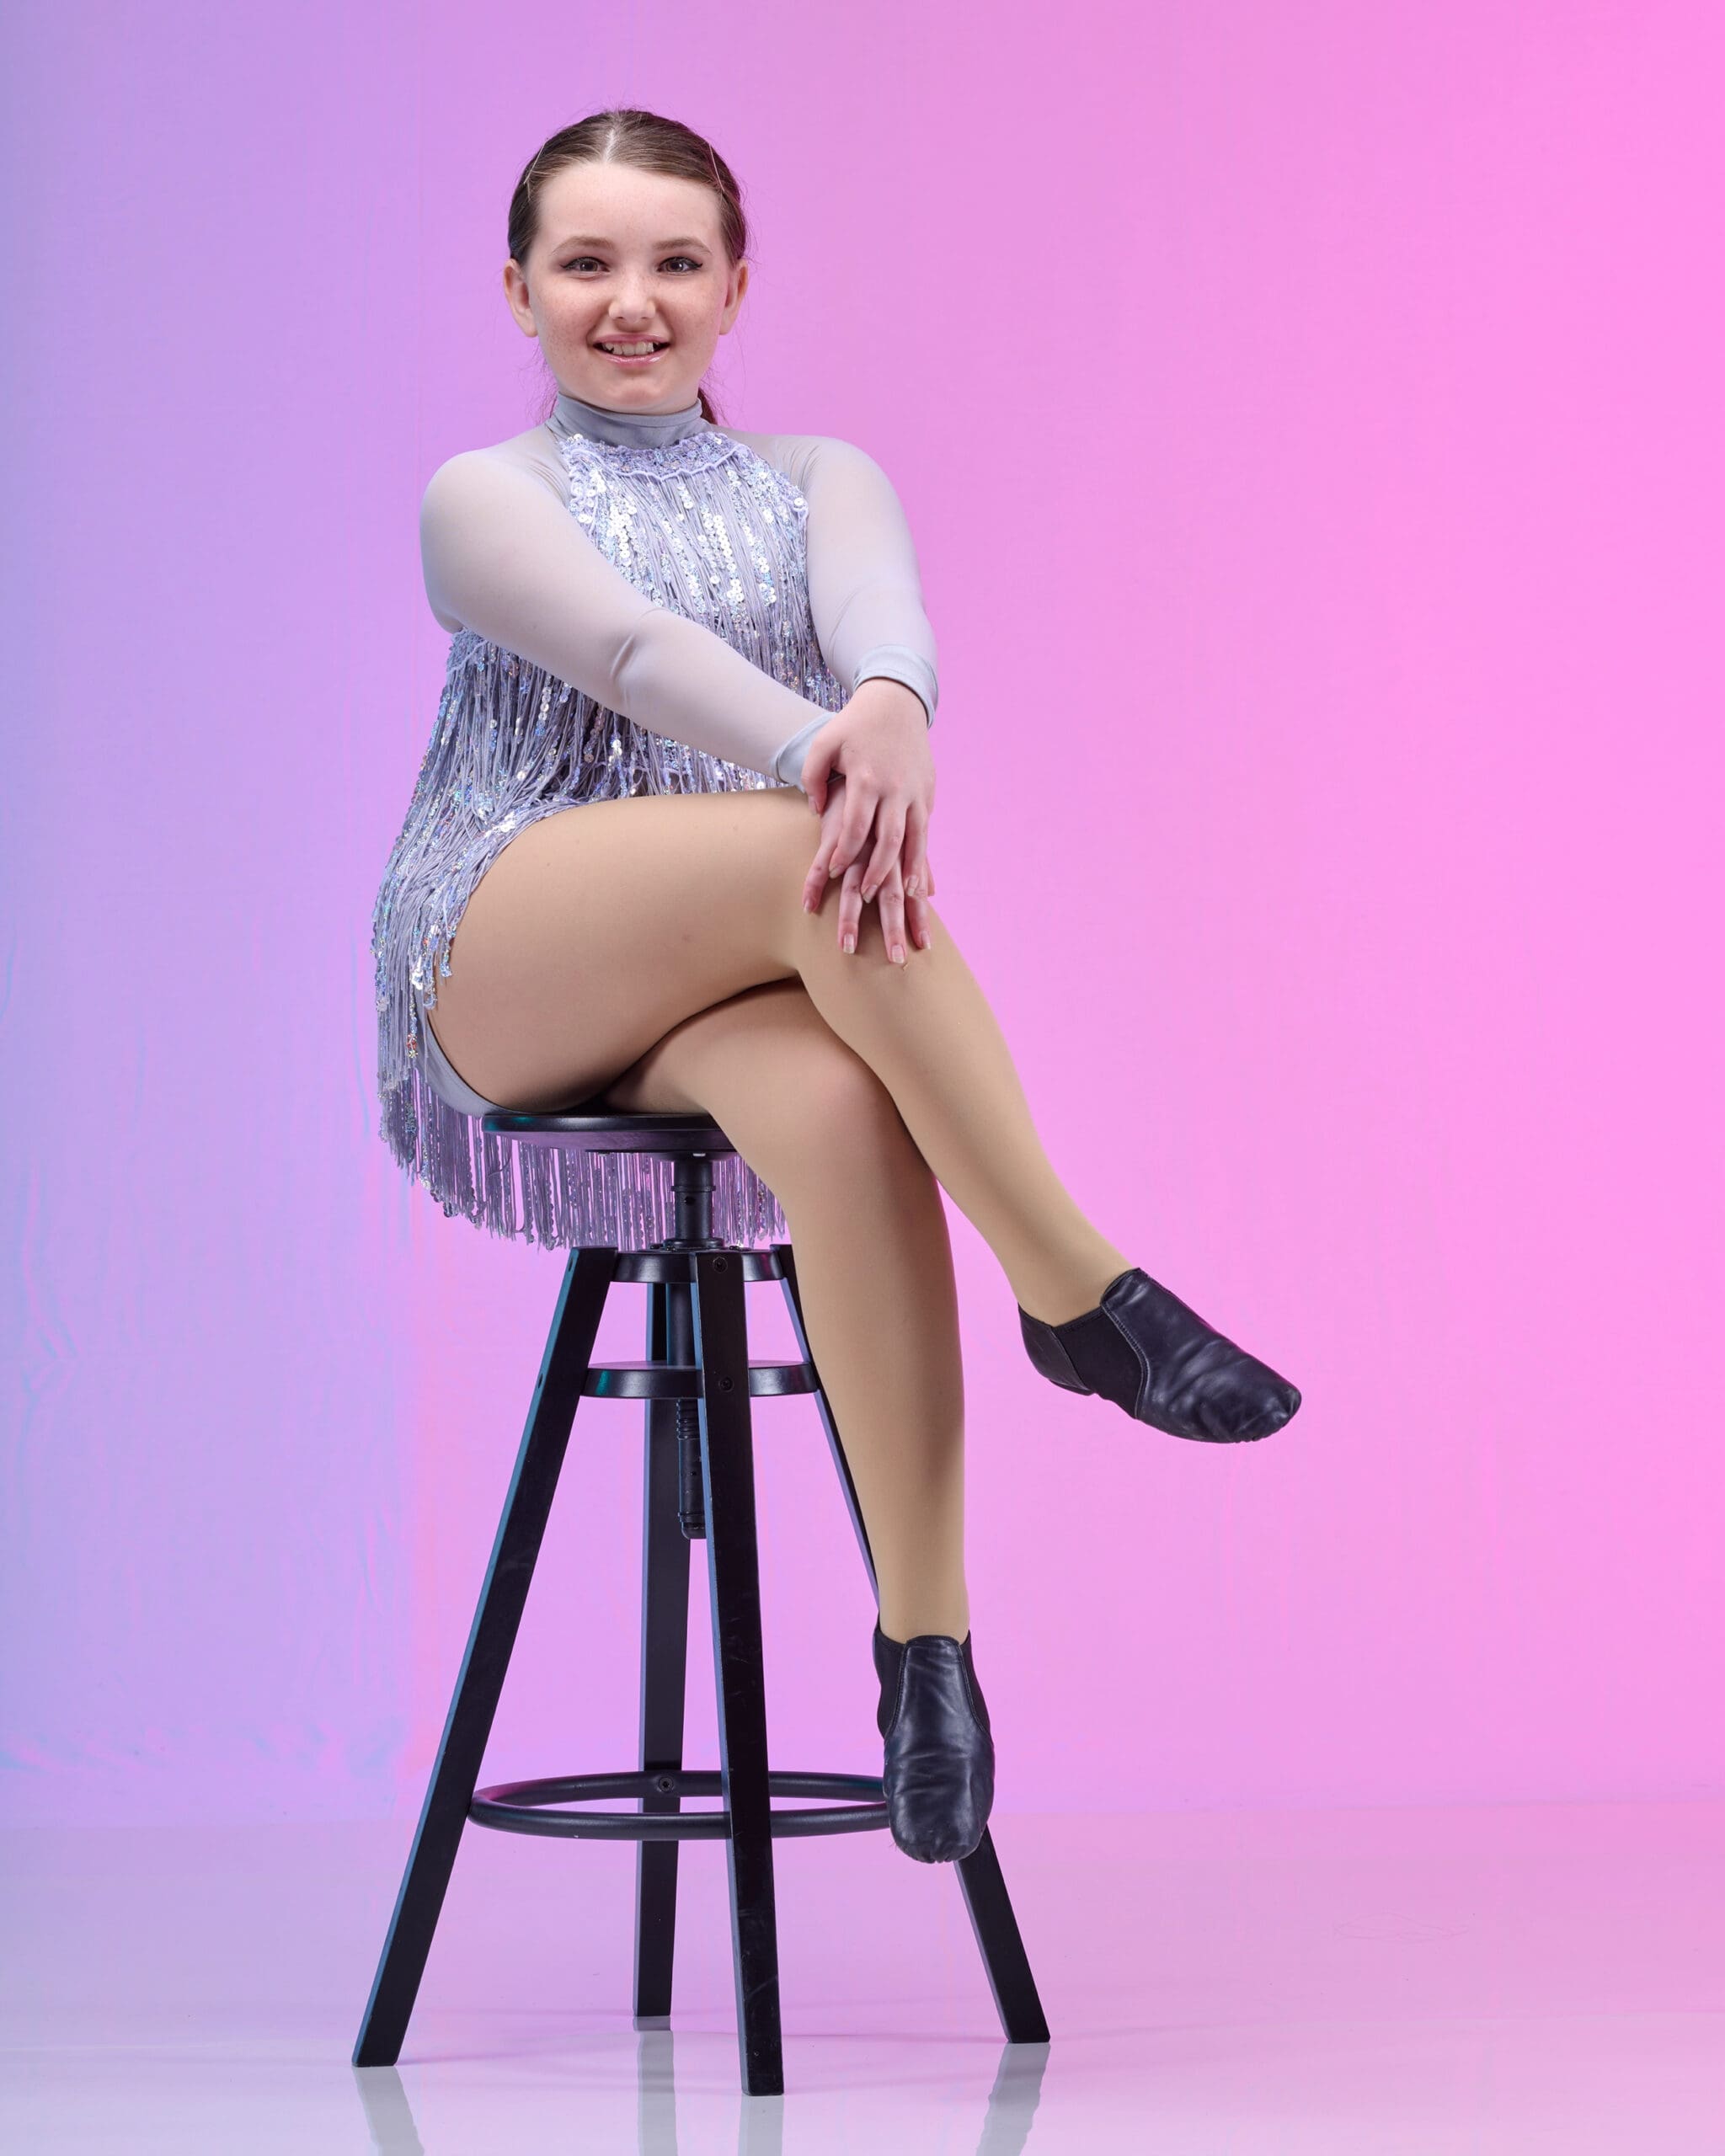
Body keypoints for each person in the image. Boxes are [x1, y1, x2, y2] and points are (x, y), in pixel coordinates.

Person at [371, 108, 1302, 1867]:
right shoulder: (483, 497)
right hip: (503, 946)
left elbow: (883, 610)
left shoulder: (818, 476)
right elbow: (635, 652)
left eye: (675, 262)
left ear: (737, 286)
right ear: (516, 289)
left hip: (751, 949)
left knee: (840, 1106)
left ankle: (924, 1651)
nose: (632, 301)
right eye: (585, 264)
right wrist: (836, 752)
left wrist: (891, 703)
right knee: (814, 848)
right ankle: (1078, 1286)